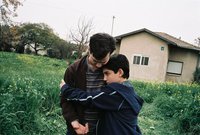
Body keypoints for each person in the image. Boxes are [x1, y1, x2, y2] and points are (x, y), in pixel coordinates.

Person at [60, 54, 144, 135]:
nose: (104, 78)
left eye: (107, 73)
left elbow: (89, 98)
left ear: (120, 72)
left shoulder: (116, 94)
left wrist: (65, 89)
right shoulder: (128, 90)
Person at [60, 33, 116, 135]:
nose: (99, 65)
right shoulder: (73, 70)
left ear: (111, 54)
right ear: (89, 50)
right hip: (78, 128)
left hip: (103, 128)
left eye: (103, 62)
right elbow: (65, 99)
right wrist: (74, 122)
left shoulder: (112, 71)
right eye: (95, 61)